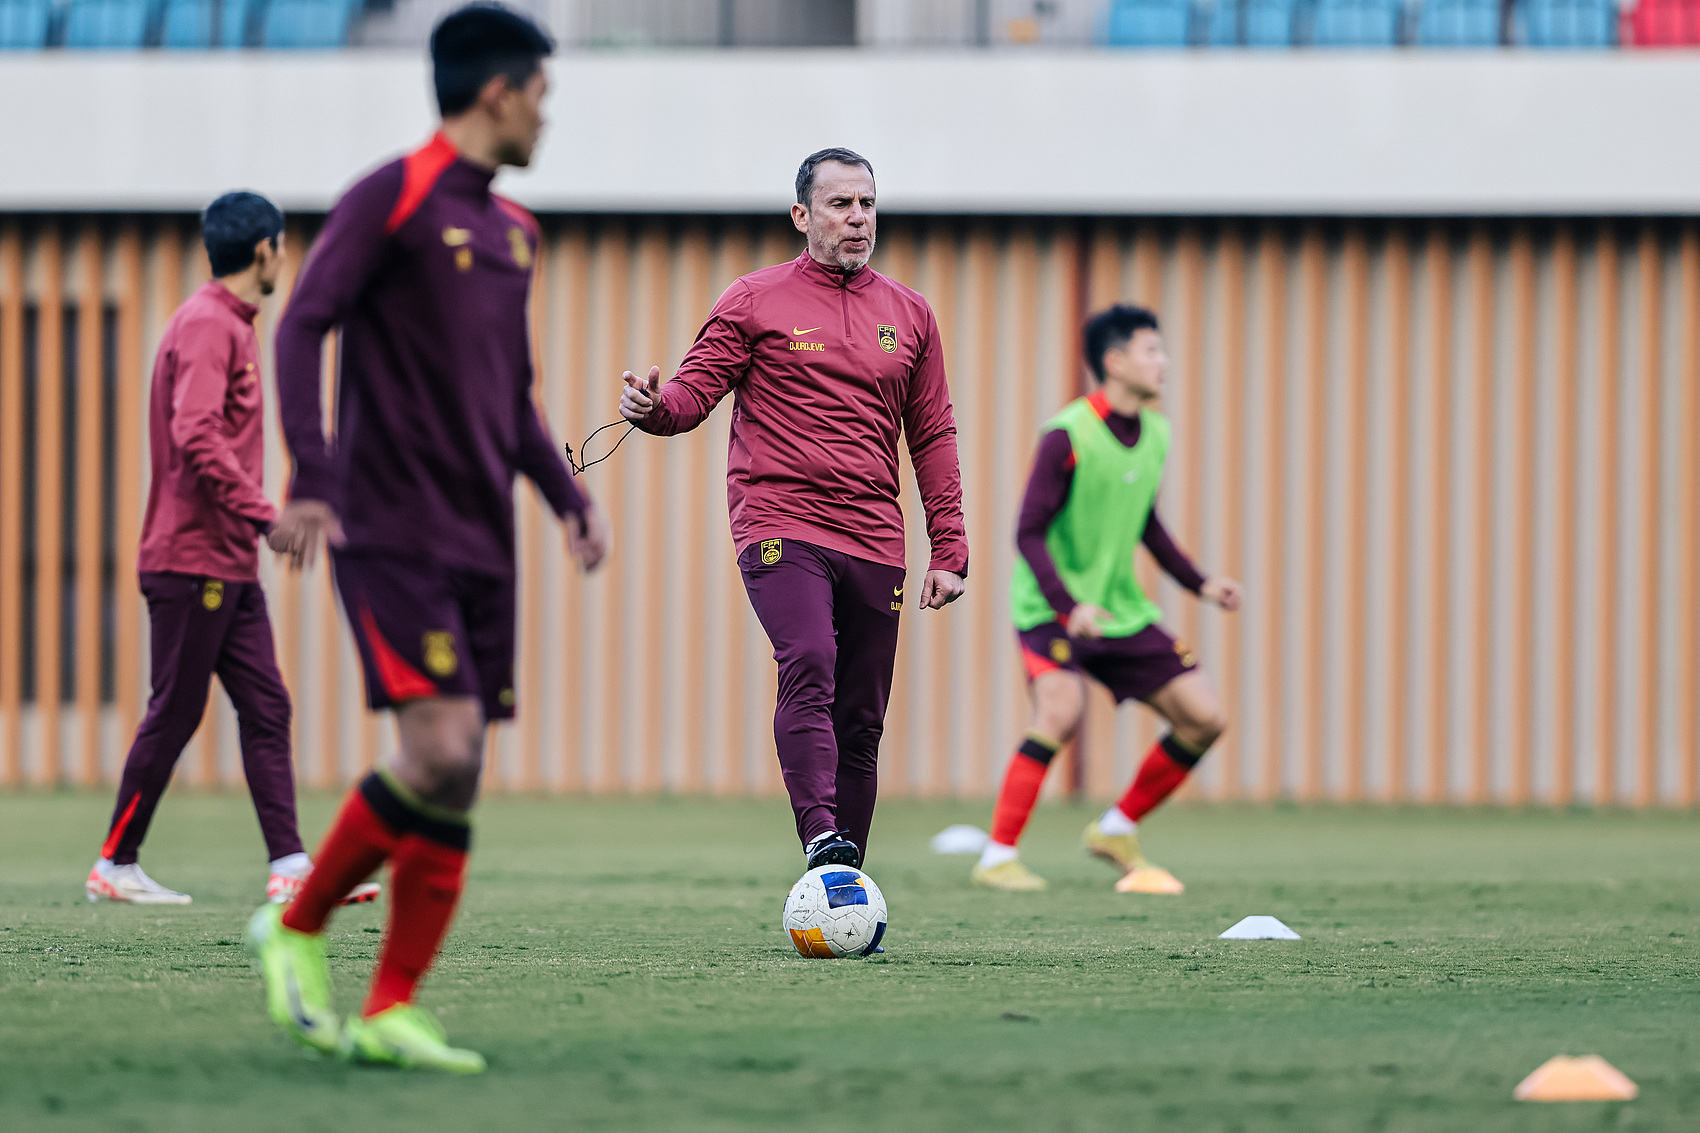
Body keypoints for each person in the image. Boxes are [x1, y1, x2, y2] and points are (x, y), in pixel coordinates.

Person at [247, 3, 608, 1074]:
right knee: (439, 746)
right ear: (498, 92)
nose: (547, 115)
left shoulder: (515, 232)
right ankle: (296, 924)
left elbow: (511, 393)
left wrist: (565, 497)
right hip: (389, 523)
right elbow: (303, 322)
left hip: (482, 536)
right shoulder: (391, 194)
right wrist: (312, 475)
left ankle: (392, 1007)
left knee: (458, 772)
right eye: (541, 94)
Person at [619, 147, 967, 878]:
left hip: (875, 534)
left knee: (862, 719)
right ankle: (819, 836)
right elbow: (692, 393)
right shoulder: (754, 299)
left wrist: (949, 547)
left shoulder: (910, 314)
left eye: (867, 203)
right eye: (841, 204)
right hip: (781, 522)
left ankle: (844, 882)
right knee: (809, 658)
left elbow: (933, 433)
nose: (858, 218)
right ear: (802, 215)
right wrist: (655, 409)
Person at [86, 192, 375, 909]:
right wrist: (266, 514)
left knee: (267, 707)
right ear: (266, 249)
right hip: (191, 561)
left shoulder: (227, 324)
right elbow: (195, 432)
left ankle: (291, 867)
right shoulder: (210, 325)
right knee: (175, 712)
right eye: (284, 245)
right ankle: (114, 863)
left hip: (226, 563)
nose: (286, 256)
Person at [971, 304, 1243, 893]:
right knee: (1060, 711)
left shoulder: (1157, 433)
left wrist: (1200, 583)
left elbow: (1145, 521)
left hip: (1120, 611)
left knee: (1205, 718)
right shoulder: (1067, 435)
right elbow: (1027, 532)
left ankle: (1116, 829)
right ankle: (997, 857)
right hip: (1051, 610)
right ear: (1115, 362)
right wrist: (1069, 608)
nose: (1164, 362)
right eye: (1152, 351)